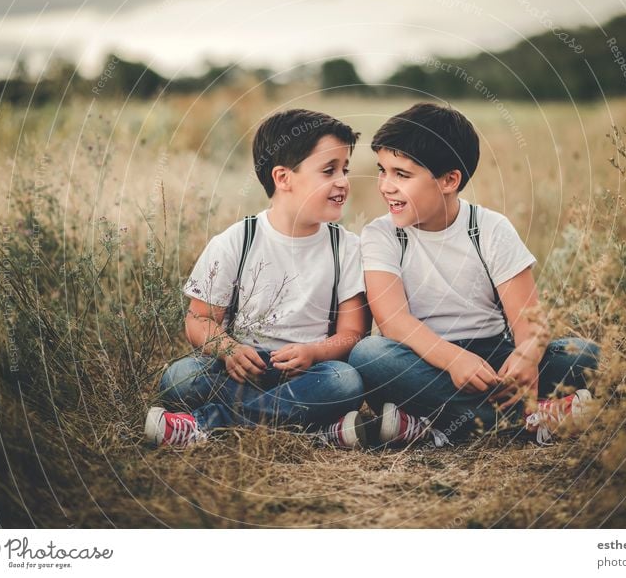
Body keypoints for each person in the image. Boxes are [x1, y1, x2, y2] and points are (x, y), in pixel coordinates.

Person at [348, 103, 600, 447]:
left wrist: (526, 357)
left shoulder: (490, 229)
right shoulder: (382, 235)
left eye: (401, 175)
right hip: (423, 360)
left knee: (587, 355)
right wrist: (452, 359)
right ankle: (527, 421)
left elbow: (530, 321)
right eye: (383, 170)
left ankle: (434, 423)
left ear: (450, 180)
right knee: (370, 356)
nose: (386, 186)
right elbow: (393, 321)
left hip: (494, 359)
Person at [145, 109, 369, 449]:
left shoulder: (346, 248)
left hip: (307, 373)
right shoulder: (237, 240)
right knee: (181, 378)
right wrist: (227, 348)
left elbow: (352, 333)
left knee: (345, 382)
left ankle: (207, 424)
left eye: (344, 169)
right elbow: (199, 319)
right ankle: (311, 429)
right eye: (329, 170)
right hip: (241, 368)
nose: (342, 181)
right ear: (283, 177)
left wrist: (313, 352)